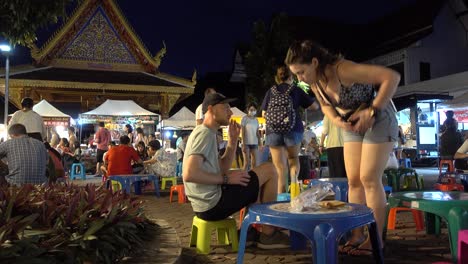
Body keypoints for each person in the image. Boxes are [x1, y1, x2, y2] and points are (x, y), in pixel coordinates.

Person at [285, 40, 400, 255]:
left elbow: (391, 77)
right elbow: (326, 106)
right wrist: (338, 122)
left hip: (378, 117)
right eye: (296, 74)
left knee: (369, 179)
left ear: (315, 62)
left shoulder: (343, 70)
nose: (299, 78)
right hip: (351, 122)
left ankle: (376, 241)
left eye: (301, 72)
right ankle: (357, 235)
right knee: (354, 180)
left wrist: (372, 110)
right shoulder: (314, 81)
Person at [183, 92, 289, 249]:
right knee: (270, 170)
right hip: (212, 204)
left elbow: (221, 168)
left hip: (206, 204)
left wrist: (232, 142)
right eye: (225, 107)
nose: (230, 112)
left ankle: (249, 232)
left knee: (254, 180)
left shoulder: (209, 133)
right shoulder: (204, 133)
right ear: (211, 109)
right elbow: (189, 174)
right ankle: (268, 234)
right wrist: (226, 180)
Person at [261, 64, 319, 195]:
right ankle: (293, 191)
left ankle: (281, 197)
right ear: (291, 76)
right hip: (293, 129)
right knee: (293, 160)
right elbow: (314, 106)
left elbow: (264, 114)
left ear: (277, 77)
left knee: (280, 167)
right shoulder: (296, 89)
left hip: (273, 131)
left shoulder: (271, 91)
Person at [241, 103, 261, 171]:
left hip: (254, 143)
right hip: (246, 143)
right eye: (251, 109)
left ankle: (252, 179)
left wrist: (260, 143)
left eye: (254, 110)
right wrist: (243, 144)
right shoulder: (244, 119)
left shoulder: (256, 120)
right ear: (248, 110)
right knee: (246, 163)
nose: (252, 111)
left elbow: (257, 133)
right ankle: (242, 179)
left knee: (254, 163)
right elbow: (242, 132)